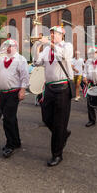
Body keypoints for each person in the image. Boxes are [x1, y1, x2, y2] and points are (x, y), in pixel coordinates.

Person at [34, 26, 73, 167]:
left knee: (59, 121)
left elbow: (64, 56)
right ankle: (63, 133)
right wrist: (37, 49)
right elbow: (37, 63)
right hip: (49, 87)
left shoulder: (67, 46)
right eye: (50, 33)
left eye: (54, 33)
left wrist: (49, 44)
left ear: (62, 35)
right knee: (46, 118)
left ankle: (57, 154)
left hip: (62, 87)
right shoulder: (46, 49)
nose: (51, 35)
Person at [0, 39, 29, 158]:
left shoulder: (20, 59)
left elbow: (25, 76)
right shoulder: (1, 58)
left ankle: (10, 144)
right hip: (3, 93)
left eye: (10, 46)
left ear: (16, 47)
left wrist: (22, 90)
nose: (8, 48)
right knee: (11, 118)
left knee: (8, 119)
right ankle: (16, 141)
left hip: (13, 92)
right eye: (6, 46)